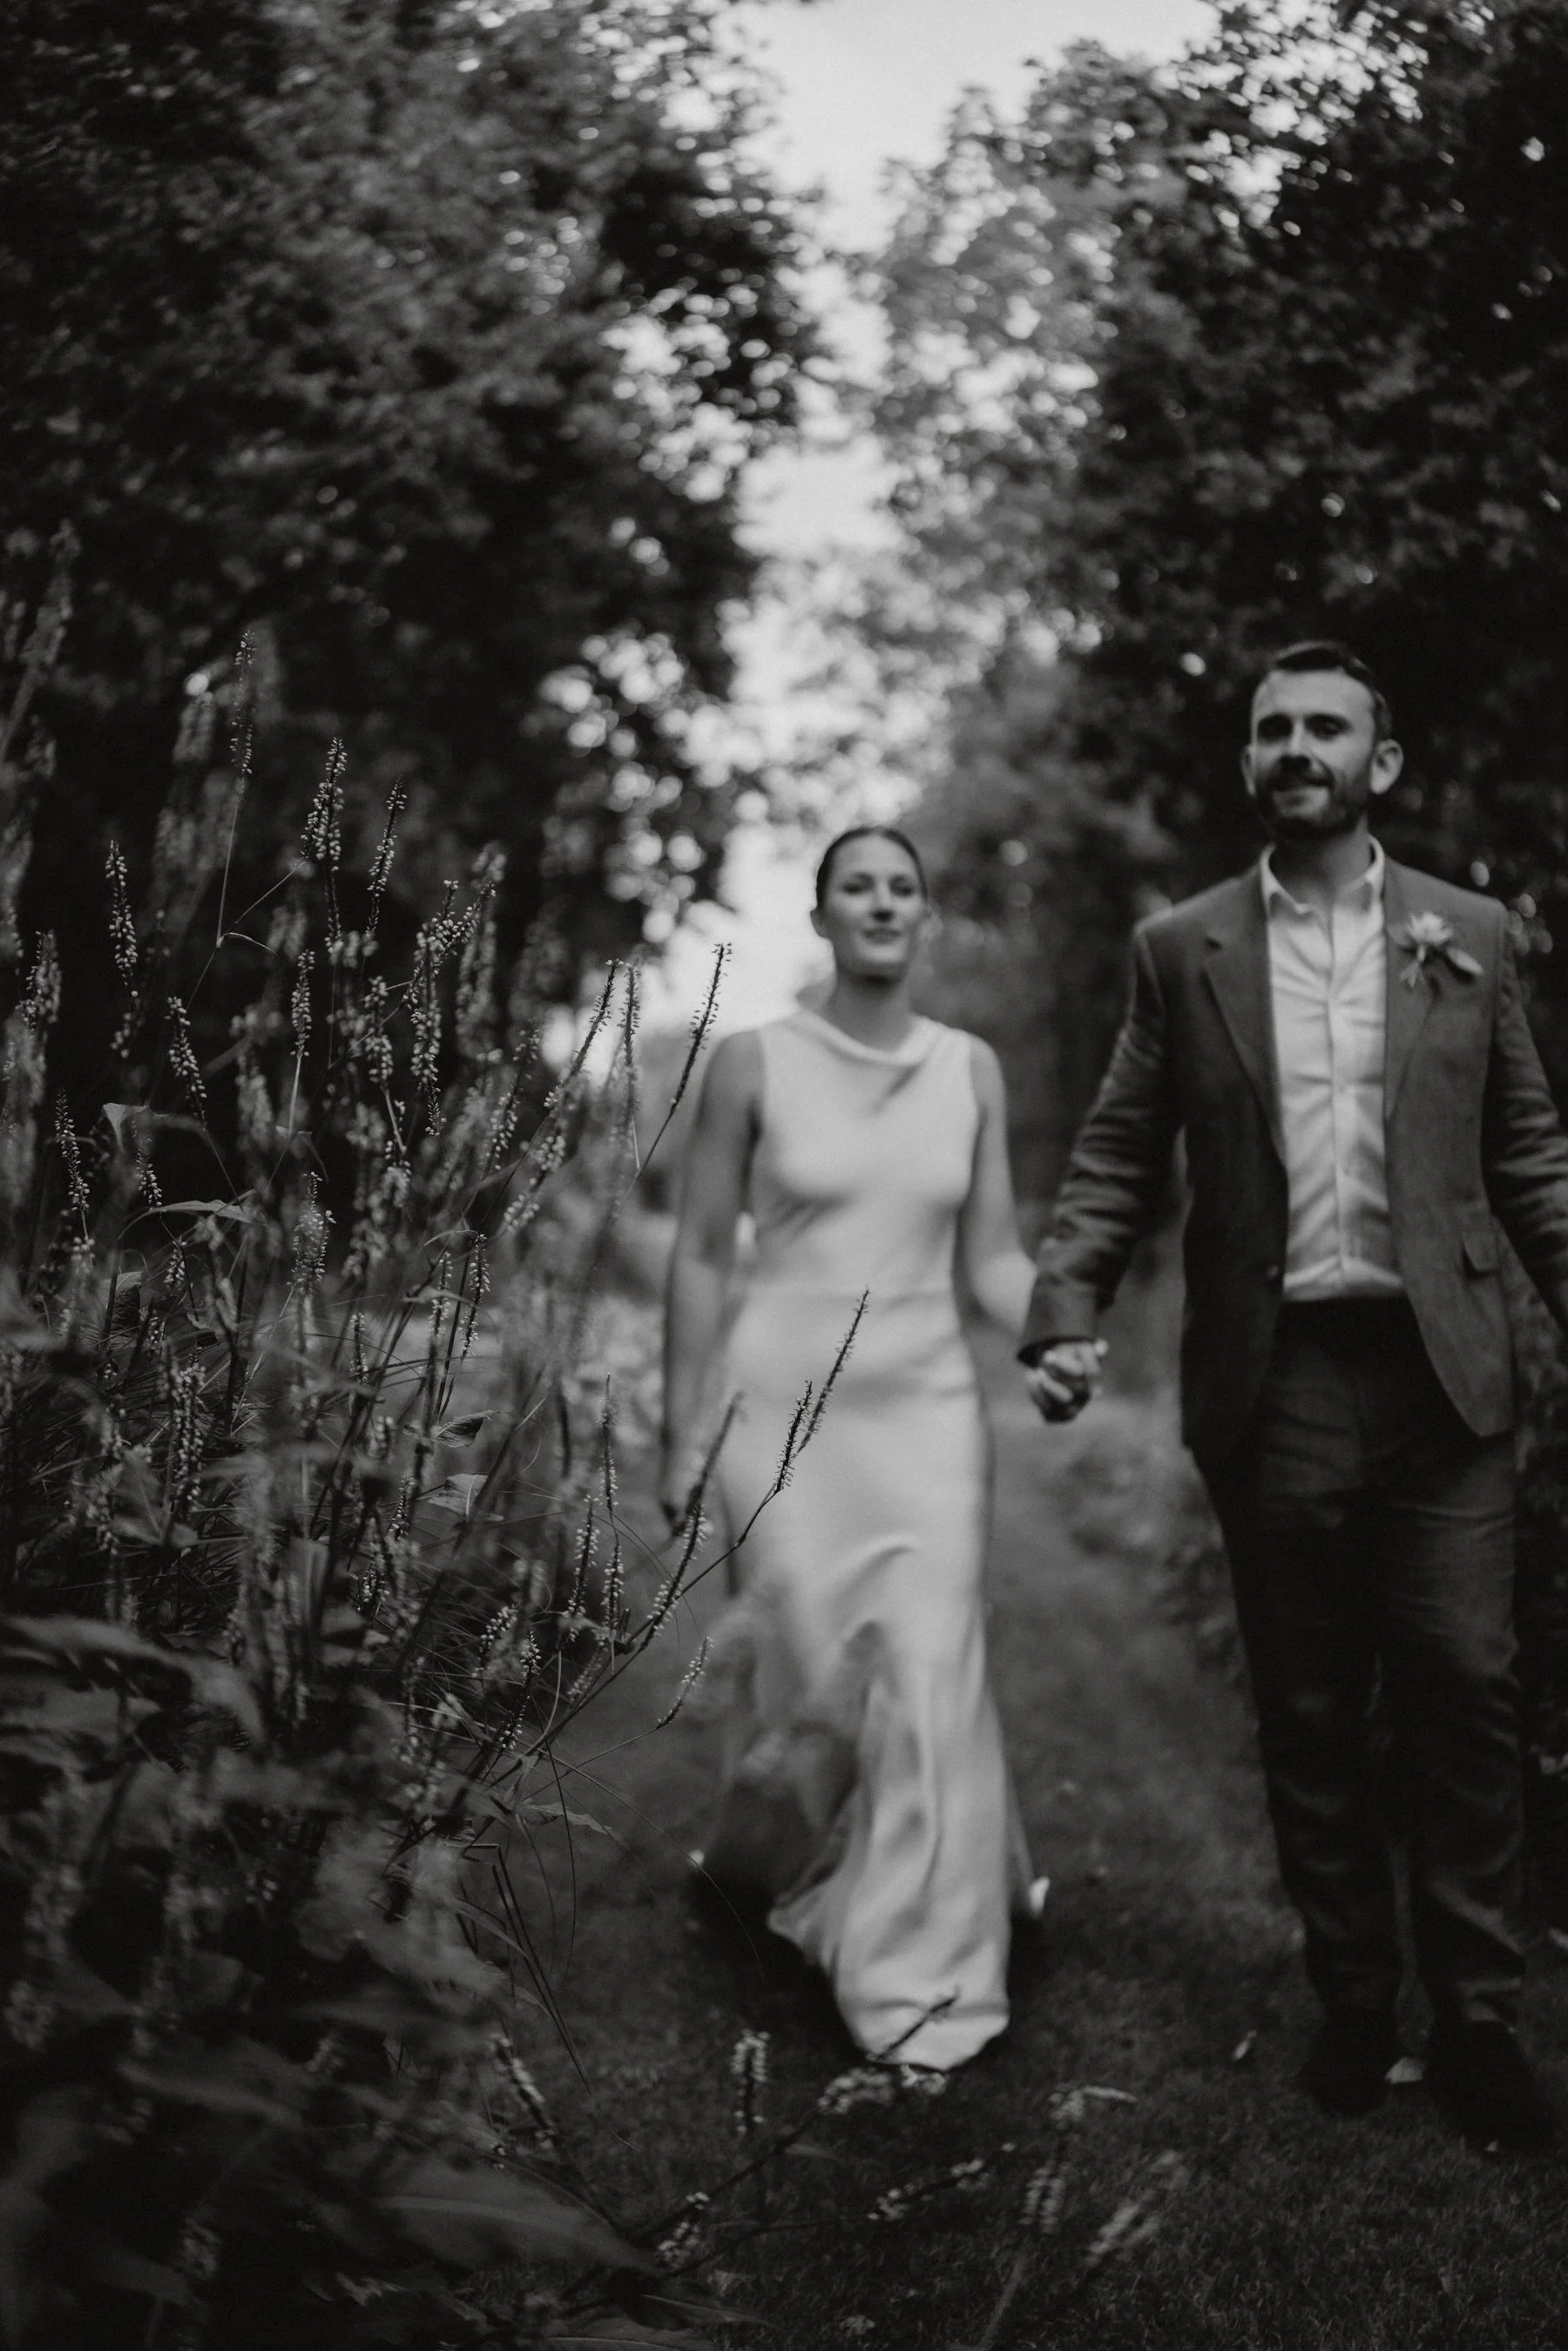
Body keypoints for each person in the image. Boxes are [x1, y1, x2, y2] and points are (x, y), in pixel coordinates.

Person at [1022, 641, 1568, 2151]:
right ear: (1249, 762)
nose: (1296, 747)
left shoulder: (1467, 932)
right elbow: (1119, 1147)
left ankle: (1479, 2017)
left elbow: (1529, 1154)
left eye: (1326, 726)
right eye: (1273, 729)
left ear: (1378, 762)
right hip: (1277, 1380)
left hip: (1443, 1375)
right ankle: (1355, 1998)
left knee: (1466, 1684)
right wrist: (1066, 1306)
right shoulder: (1182, 947)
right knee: (1311, 1707)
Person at [661, 825, 1042, 2071]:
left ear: (924, 916)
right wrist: (681, 1428)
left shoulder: (971, 1069)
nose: (882, 903)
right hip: (781, 1424)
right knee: (808, 1685)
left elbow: (993, 1256)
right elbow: (701, 1253)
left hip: (927, 1418)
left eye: (902, 887)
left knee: (929, 1670)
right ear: (821, 916)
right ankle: (772, 1863)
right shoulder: (751, 1062)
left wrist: (1059, 1329)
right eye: (857, 887)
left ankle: (919, 1973)